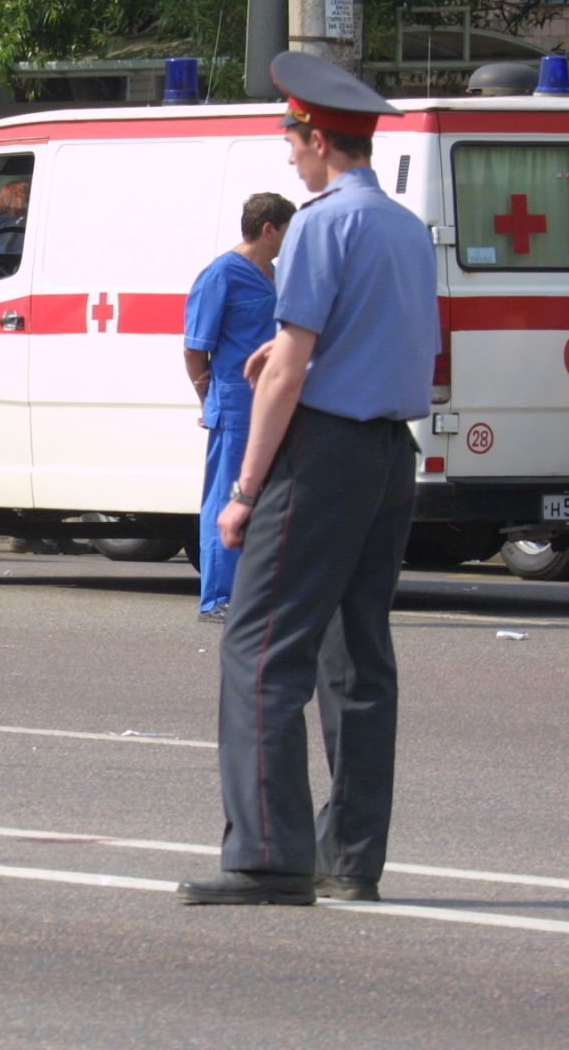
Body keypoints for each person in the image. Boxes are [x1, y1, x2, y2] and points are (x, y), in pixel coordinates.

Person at [176, 52, 439, 908]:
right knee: (358, 658)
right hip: (388, 454)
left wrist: (244, 491)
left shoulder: (322, 226)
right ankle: (350, 859)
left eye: (292, 140)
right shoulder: (405, 227)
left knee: (258, 650)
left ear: (319, 139)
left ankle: (264, 858)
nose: (288, 156)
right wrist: (289, 352)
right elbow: (384, 341)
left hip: (320, 457)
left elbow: (287, 375)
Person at [183, 192, 295, 624]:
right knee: (226, 498)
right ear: (269, 230)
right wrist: (207, 398)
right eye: (287, 231)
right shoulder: (220, 275)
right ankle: (217, 598)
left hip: (275, 405)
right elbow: (195, 348)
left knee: (269, 501)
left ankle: (261, 595)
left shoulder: (276, 273)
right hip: (236, 402)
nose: (290, 239)